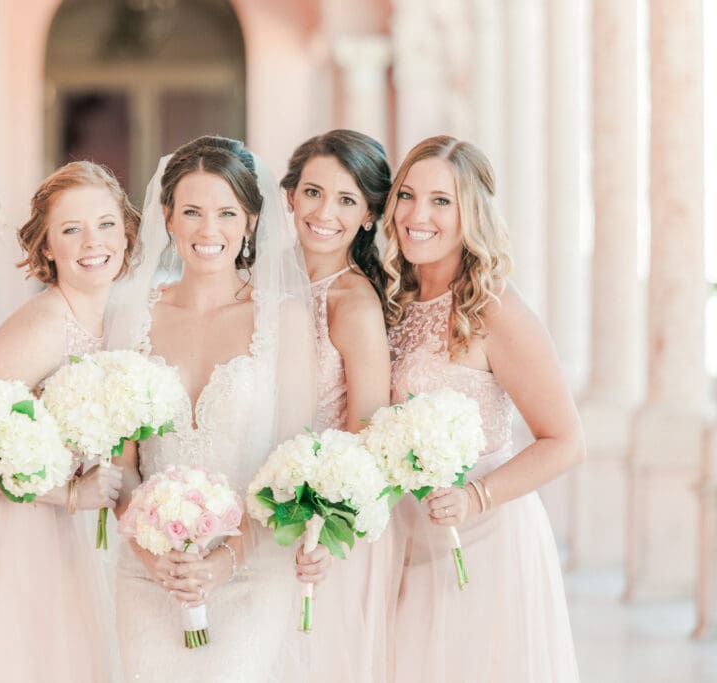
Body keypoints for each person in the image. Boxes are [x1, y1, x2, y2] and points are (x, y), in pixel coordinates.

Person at [0, 160, 139, 682]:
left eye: (106, 223)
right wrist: (70, 494)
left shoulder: (119, 319)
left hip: (63, 539)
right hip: (3, 542)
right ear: (47, 247)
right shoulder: (43, 326)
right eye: (71, 229)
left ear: (126, 233)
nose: (93, 242)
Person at [107, 135, 316, 682]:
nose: (208, 230)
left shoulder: (284, 320)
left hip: (252, 571)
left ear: (250, 221)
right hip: (148, 575)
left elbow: (291, 467)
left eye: (226, 213)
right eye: (192, 212)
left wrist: (225, 561)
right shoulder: (133, 315)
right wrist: (152, 554)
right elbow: (123, 466)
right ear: (168, 218)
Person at [384, 135, 582, 682]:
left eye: (441, 201)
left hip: (486, 540)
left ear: (471, 214)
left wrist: (474, 497)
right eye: (407, 196)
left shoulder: (493, 307)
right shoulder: (393, 300)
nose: (417, 215)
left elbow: (566, 441)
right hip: (408, 537)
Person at [281, 129, 400, 682]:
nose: (324, 212)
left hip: (321, 526)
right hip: (258, 507)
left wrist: (325, 533)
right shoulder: (258, 280)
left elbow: (364, 439)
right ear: (290, 196)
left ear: (369, 215)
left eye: (347, 200)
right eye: (313, 192)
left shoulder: (354, 304)